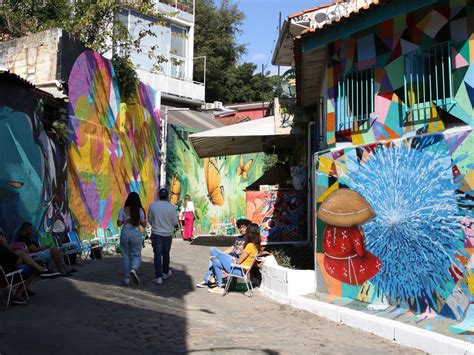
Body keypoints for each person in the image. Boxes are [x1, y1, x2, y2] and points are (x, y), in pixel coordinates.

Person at [208, 223, 262, 294]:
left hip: (239, 270)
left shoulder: (250, 246)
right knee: (216, 262)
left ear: (250, 234)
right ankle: (219, 286)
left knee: (218, 253)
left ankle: (214, 257)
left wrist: (228, 262)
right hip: (241, 270)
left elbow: (239, 261)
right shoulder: (255, 246)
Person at [196, 218, 250, 288]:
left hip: (234, 260)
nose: (241, 229)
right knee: (212, 250)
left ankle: (207, 279)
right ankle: (212, 279)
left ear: (248, 228)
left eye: (243, 227)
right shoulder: (239, 238)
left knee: (213, 260)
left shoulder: (249, 239)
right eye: (240, 228)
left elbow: (244, 254)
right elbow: (231, 248)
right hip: (228, 257)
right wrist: (221, 255)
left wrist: (220, 256)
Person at [148, 188, 179, 285]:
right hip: (167, 234)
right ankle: (165, 272)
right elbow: (175, 222)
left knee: (157, 255)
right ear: (167, 197)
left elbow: (150, 220)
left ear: (159, 195)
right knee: (166, 254)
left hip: (156, 234)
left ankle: (158, 277)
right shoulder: (172, 207)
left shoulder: (153, 206)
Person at [117, 192, 146, 286]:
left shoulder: (123, 210)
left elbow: (119, 223)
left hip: (125, 232)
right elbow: (144, 224)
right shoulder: (140, 210)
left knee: (125, 256)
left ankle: (126, 279)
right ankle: (133, 269)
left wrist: (126, 220)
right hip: (135, 233)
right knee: (136, 255)